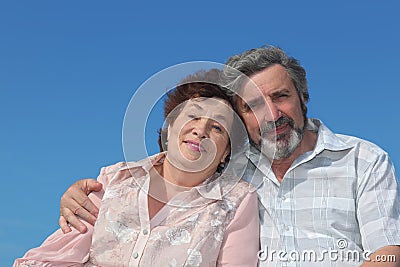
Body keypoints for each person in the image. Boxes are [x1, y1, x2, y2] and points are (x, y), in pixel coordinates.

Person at [59, 46, 400, 266]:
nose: (270, 114)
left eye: (280, 96)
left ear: (303, 97)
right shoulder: (225, 170)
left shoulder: (363, 159)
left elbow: (387, 252)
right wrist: (89, 190)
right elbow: (163, 176)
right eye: (252, 106)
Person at [13, 70, 260, 267]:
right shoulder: (115, 180)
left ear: (226, 150)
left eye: (218, 128)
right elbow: (52, 258)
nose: (201, 130)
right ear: (170, 125)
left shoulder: (237, 201)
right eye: (193, 116)